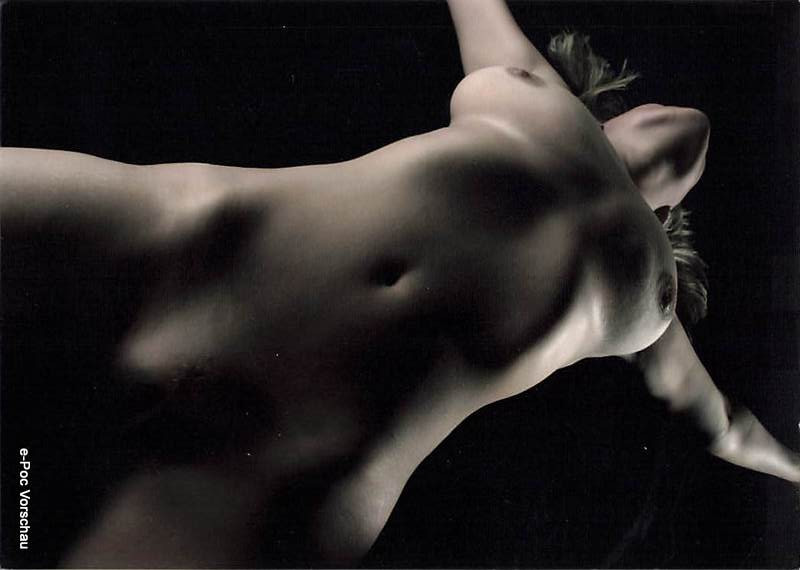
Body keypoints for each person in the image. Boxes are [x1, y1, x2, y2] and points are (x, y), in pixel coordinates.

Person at [1, 0, 797, 567]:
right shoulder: (528, 86)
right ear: (612, 111)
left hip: (304, 465)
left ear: (668, 213)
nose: (691, 128)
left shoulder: (652, 298)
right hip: (187, 245)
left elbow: (726, 427)